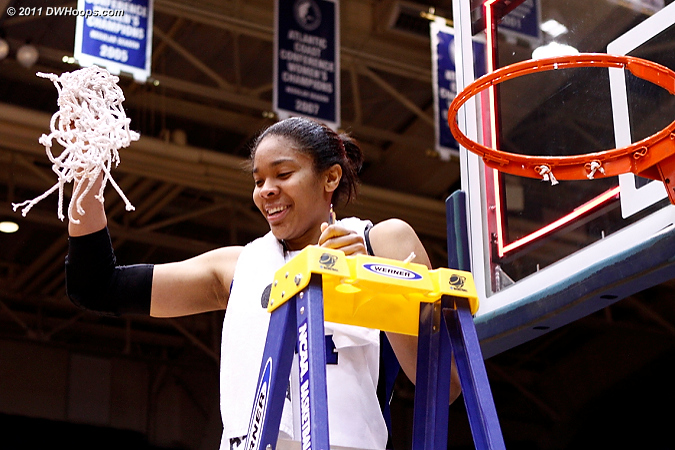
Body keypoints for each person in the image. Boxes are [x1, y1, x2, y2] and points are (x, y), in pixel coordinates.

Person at [65, 116, 460, 450]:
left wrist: (374, 286)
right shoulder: (237, 267)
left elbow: (445, 388)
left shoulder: (383, 242)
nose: (266, 190)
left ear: (330, 177)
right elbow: (96, 287)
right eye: (258, 180)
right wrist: (86, 180)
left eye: (283, 174)